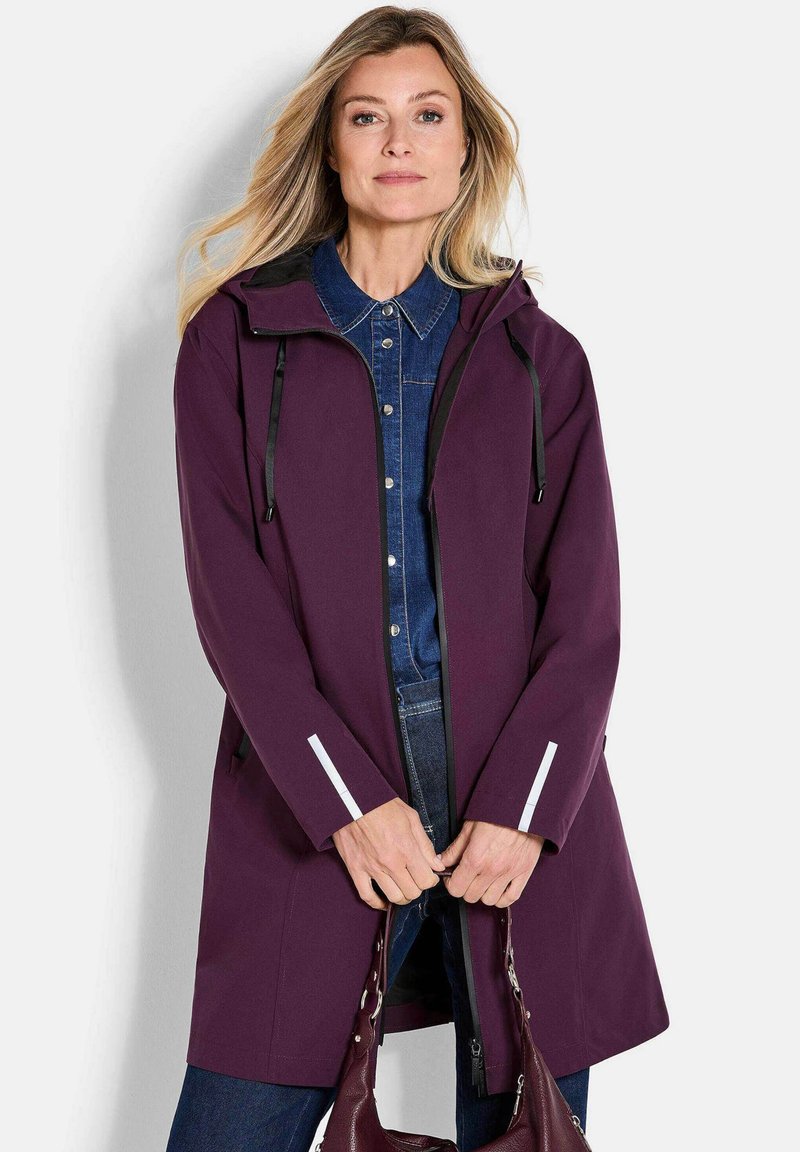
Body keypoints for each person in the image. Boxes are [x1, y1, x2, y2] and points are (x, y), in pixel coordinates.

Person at [166, 8, 669, 1151]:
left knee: (526, 1128)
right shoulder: (232, 342)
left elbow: (584, 617)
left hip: (515, 801)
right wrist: (344, 803)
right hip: (312, 797)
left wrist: (525, 811)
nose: (399, 142)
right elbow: (232, 604)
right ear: (330, 148)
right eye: (367, 117)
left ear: (465, 146)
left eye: (427, 115)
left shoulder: (541, 360)